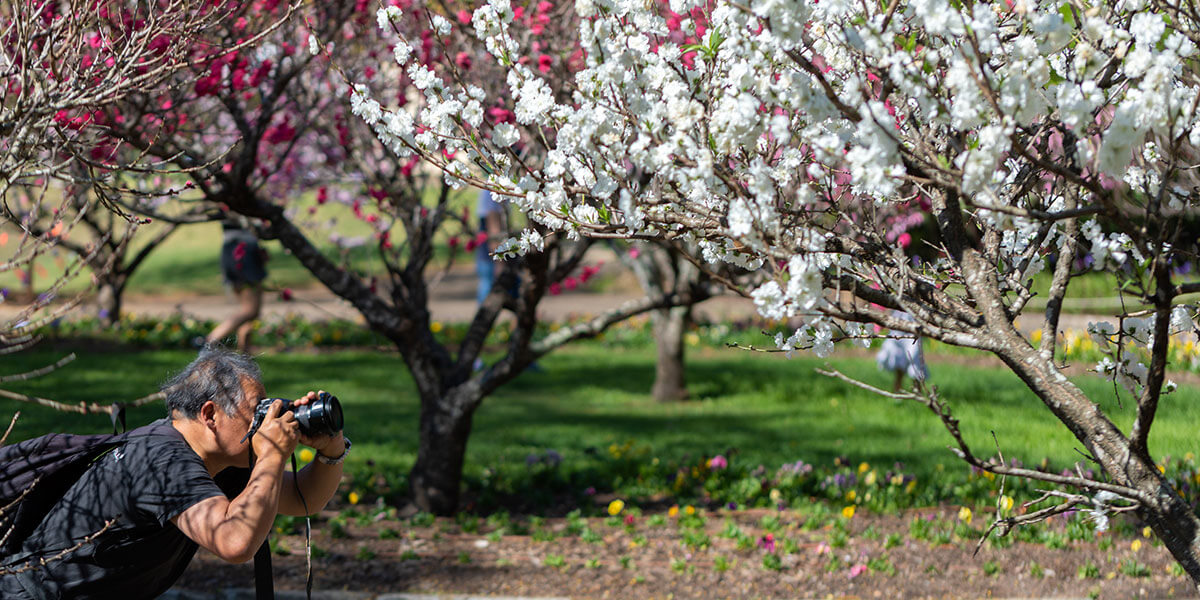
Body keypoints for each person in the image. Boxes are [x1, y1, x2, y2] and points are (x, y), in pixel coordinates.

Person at [0, 346, 349, 599]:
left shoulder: (212, 459)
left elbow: (303, 499)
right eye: (253, 413)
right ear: (210, 415)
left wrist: (330, 448)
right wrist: (272, 454)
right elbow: (234, 541)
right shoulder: (163, 460)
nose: (262, 423)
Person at [206, 215, 268, 353]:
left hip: (230, 250)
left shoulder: (222, 200)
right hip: (244, 251)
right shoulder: (242, 199)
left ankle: (246, 353)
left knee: (246, 310)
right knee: (250, 310)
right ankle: (212, 339)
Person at [876, 311, 928, 392]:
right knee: (898, 359)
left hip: (914, 325)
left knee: (915, 360)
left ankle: (918, 393)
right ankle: (897, 391)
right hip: (898, 324)